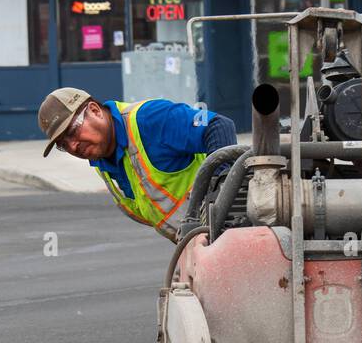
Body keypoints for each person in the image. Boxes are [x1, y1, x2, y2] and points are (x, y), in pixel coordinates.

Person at [38, 88, 237, 241]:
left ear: (94, 110)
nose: (73, 145)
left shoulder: (150, 118)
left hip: (232, 231)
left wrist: (219, 189)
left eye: (72, 131)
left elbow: (218, 125)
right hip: (197, 244)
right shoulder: (102, 161)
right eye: (63, 144)